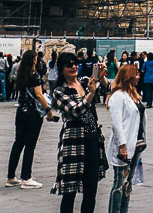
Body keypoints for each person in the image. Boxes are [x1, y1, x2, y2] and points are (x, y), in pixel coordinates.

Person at [51, 51, 109, 213]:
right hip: (73, 142)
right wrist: (90, 93)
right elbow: (76, 110)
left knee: (91, 188)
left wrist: (102, 76)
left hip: (92, 140)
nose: (74, 67)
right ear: (61, 69)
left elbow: (108, 88)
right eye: (69, 65)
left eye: (75, 63)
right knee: (70, 190)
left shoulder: (84, 81)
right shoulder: (60, 91)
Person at [6, 50, 56, 188]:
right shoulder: (34, 75)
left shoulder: (21, 75)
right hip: (32, 113)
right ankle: (26, 177)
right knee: (30, 145)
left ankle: (11, 176)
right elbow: (39, 95)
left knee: (18, 143)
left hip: (21, 112)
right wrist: (48, 110)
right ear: (34, 60)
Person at [106, 64, 147, 213]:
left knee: (128, 184)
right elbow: (116, 124)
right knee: (118, 184)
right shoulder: (118, 96)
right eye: (136, 74)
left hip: (136, 144)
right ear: (128, 76)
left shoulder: (133, 95)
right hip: (123, 147)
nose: (139, 76)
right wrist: (122, 145)